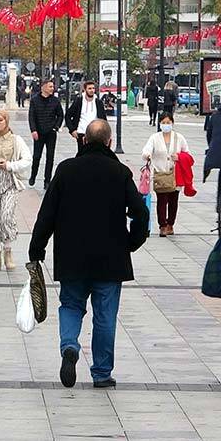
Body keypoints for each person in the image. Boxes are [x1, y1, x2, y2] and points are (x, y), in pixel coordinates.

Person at [30, 119, 149, 389]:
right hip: (111, 258)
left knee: (71, 305)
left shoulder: (66, 170)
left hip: (72, 256)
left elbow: (46, 214)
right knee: (105, 316)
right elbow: (141, 213)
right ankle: (101, 373)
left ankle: (70, 346)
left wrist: (37, 248)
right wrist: (131, 242)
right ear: (109, 142)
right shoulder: (120, 172)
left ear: (84, 140)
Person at [0, 110, 33, 271]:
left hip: (9, 181)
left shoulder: (16, 140)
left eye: (0, 120)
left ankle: (8, 251)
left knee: (5, 216)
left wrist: (10, 165)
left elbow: (27, 159)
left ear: (6, 121)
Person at [142, 113, 189, 237]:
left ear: (172, 123)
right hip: (160, 173)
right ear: (160, 123)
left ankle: (170, 224)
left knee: (174, 201)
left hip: (175, 174)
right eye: (164, 122)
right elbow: (146, 150)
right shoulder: (155, 137)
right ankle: (162, 225)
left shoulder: (179, 138)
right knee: (162, 201)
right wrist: (147, 155)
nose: (166, 125)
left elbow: (187, 154)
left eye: (168, 122)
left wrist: (179, 157)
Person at [28, 78, 65, 189]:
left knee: (50, 157)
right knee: (36, 156)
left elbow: (60, 115)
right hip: (38, 132)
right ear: (43, 87)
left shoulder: (55, 100)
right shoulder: (34, 100)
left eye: (53, 87)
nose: (52, 89)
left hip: (51, 133)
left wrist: (56, 127)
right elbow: (31, 116)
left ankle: (47, 180)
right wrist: (33, 130)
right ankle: (33, 176)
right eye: (50, 87)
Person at [65, 79, 107, 154]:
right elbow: (68, 115)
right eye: (89, 88)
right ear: (85, 90)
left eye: (93, 88)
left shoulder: (98, 102)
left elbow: (104, 119)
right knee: (82, 154)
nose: (92, 90)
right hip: (81, 132)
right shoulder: (79, 101)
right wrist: (72, 130)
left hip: (95, 134)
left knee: (95, 154)